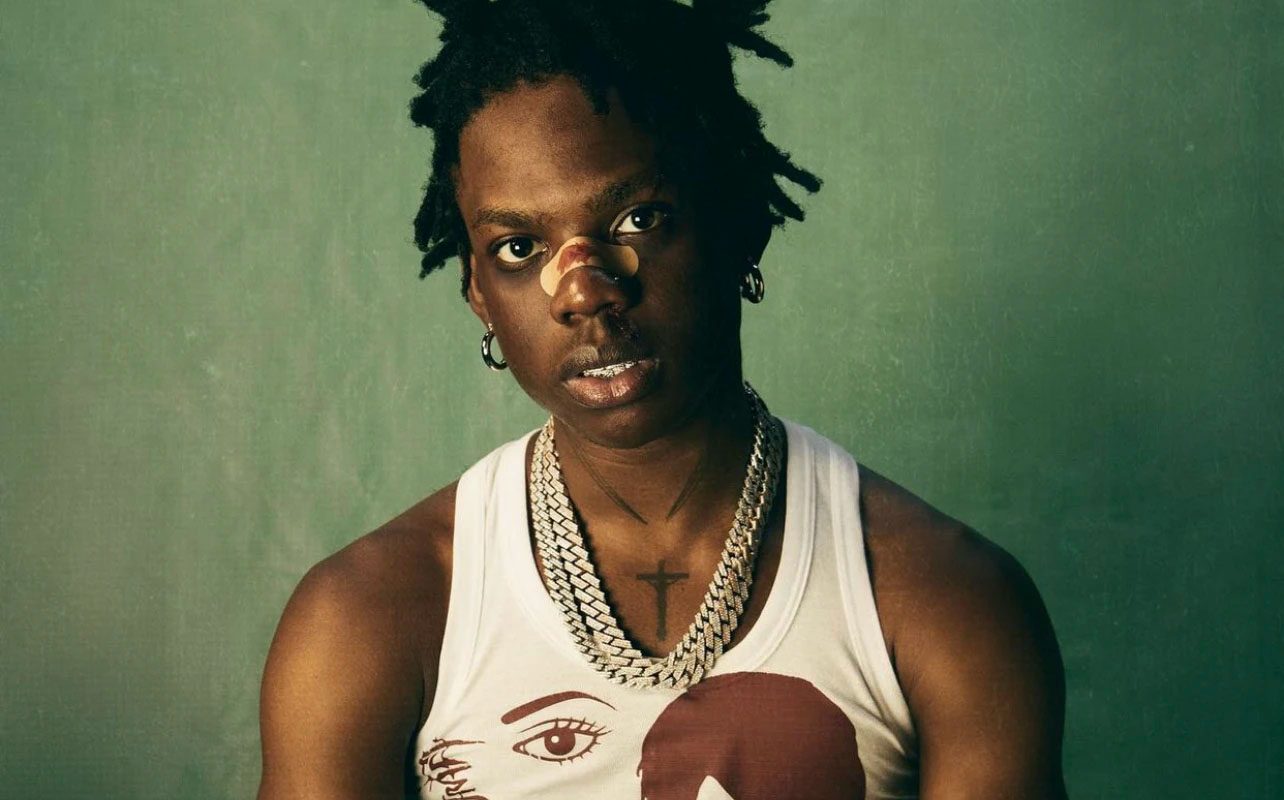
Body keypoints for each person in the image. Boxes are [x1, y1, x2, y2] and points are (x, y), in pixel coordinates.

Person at [256, 1, 1068, 797]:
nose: (584, 291)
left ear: (738, 224)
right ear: (478, 291)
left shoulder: (940, 599)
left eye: (640, 217)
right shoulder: (370, 616)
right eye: (519, 246)